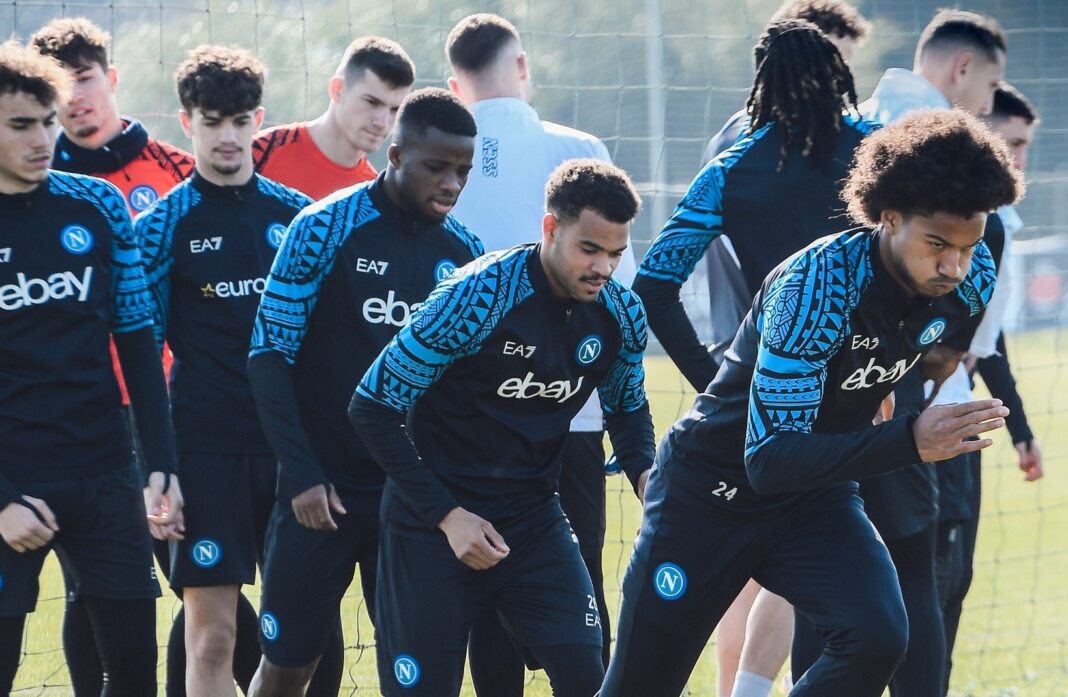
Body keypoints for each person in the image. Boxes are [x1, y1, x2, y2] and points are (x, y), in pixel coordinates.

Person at [601, 109, 1021, 697]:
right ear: (888, 217)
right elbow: (769, 460)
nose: (955, 265)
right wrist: (909, 438)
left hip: (814, 502)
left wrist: (884, 394)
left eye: (969, 245)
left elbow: (933, 352)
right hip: (710, 496)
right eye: (937, 244)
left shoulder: (969, 277)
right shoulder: (817, 285)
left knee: (877, 636)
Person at [349, 159, 653, 696]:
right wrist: (447, 516)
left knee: (589, 677)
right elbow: (371, 407)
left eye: (616, 253)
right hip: (431, 525)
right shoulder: (475, 298)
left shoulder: (621, 315)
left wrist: (645, 473)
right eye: (590, 249)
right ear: (550, 229)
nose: (603, 268)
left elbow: (626, 407)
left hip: (533, 521)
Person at [635, 19, 875, 697]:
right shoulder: (873, 154)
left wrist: (713, 381)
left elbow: (654, 285)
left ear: (760, 82)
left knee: (748, 553)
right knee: (863, 587)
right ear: (837, 75)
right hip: (853, 390)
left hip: (755, 392)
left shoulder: (732, 166)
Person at [789, 12, 1009, 696]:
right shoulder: (940, 145)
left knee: (814, 580)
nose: (990, 107)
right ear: (961, 71)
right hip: (892, 400)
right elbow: (988, 238)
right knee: (913, 569)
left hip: (792, 404)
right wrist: (927, 355)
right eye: (992, 87)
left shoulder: (804, 135)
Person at [245, 87, 484, 697]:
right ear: (396, 154)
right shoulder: (322, 228)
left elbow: (464, 394)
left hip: (411, 504)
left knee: (417, 676)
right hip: (319, 494)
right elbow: (268, 357)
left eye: (463, 169)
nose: (453, 182)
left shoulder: (468, 255)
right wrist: (300, 475)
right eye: (437, 166)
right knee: (288, 666)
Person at [444, 13, 637, 693]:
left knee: (491, 586)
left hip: (470, 430)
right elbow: (621, 284)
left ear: (453, 84)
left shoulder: (443, 160)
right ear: (521, 66)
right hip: (570, 414)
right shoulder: (578, 146)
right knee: (579, 588)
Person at [28, 18, 204, 697]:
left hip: (168, 405)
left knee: (193, 575)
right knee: (85, 584)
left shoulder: (172, 171)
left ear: (113, 78)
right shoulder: (35, 185)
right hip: (78, 417)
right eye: (59, 88)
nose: (75, 99)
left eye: (86, 80)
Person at [134, 45, 312, 697]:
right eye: (213, 121)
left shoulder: (298, 218)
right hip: (205, 451)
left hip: (292, 450)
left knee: (301, 638)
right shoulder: (161, 226)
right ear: (187, 123)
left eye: (240, 121)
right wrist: (159, 465)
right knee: (211, 638)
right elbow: (142, 355)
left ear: (258, 119)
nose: (228, 136)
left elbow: (321, 345)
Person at [937, 82, 1044, 694]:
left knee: (955, 578)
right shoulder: (960, 226)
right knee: (933, 578)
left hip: (965, 411)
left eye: (1027, 147)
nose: (1019, 159)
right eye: (1011, 143)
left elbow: (988, 340)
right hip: (929, 417)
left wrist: (1020, 431)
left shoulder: (1000, 224)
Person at [253, 36, 414, 201]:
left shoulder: (373, 198)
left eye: (395, 109)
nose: (382, 122)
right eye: (372, 102)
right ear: (338, 90)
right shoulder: (260, 153)